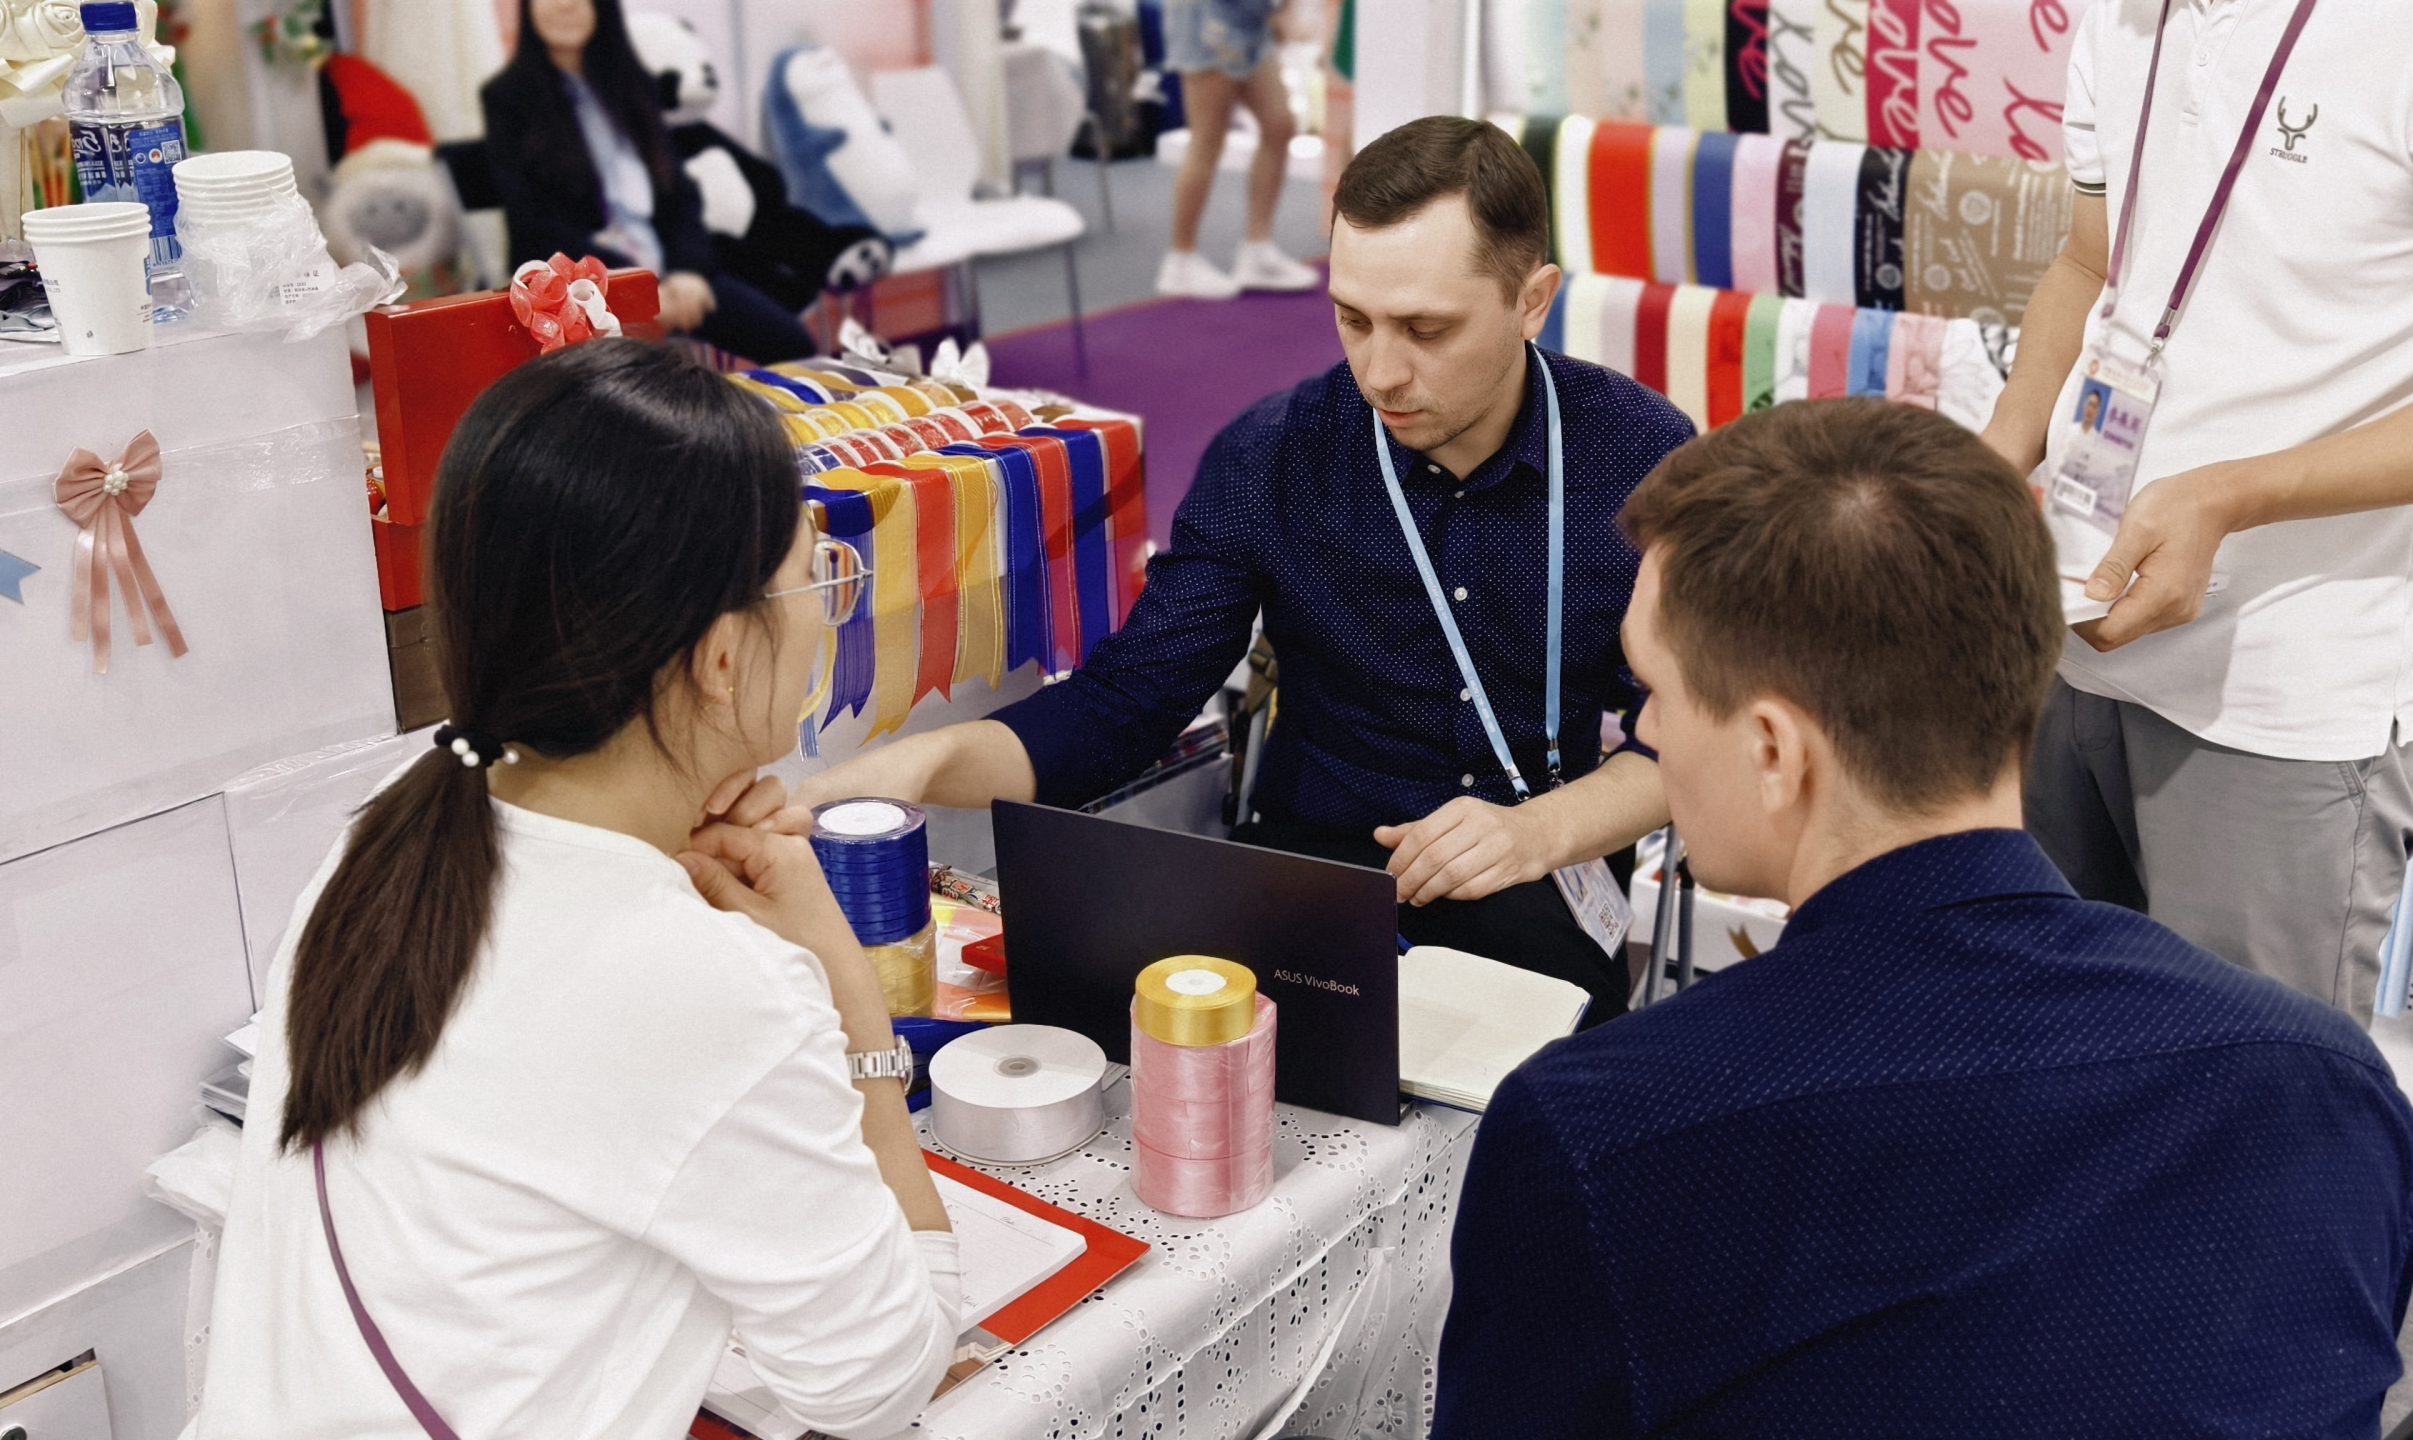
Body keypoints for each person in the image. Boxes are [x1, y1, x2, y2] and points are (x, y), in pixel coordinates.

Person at [1435, 399, 2413, 1436]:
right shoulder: (2328, 1083)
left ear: (1774, 751)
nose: (1644, 731)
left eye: (1653, 693)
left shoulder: (1598, 1135)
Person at [194, 342, 957, 1440]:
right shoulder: (709, 990)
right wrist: (849, 1001)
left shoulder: (392, 835)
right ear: (721, 660)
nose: (826, 608)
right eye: (814, 575)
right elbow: (880, 1384)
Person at [800, 117, 1692, 1024]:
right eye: (1353, 320)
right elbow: (1126, 706)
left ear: (1532, 302)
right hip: (1314, 881)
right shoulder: (1273, 457)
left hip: (1541, 872)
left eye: (1426, 329)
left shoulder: (1640, 455)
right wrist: (921, 762)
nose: (1382, 372)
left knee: (1527, 1095)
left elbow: (1701, 726)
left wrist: (1540, 831)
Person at [1977, 0, 2413, 1024]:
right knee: (2058, 1051)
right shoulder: (2122, 16)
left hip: (2287, 688)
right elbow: (2089, 263)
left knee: (2249, 1092)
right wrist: (1987, 464)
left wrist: (2237, 494)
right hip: (2063, 631)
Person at [480, 0, 816, 363]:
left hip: (670, 272)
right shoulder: (507, 97)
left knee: (793, 343)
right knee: (641, 375)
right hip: (580, 283)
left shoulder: (631, 83)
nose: (565, 5)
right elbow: (534, 226)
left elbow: (678, 195)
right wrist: (639, 286)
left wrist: (688, 272)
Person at [1154, 0, 1320, 299]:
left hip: (1251, 19)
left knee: (1279, 125)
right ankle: (1180, 259)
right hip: (1206, 19)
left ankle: (1258, 250)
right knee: (1207, 138)